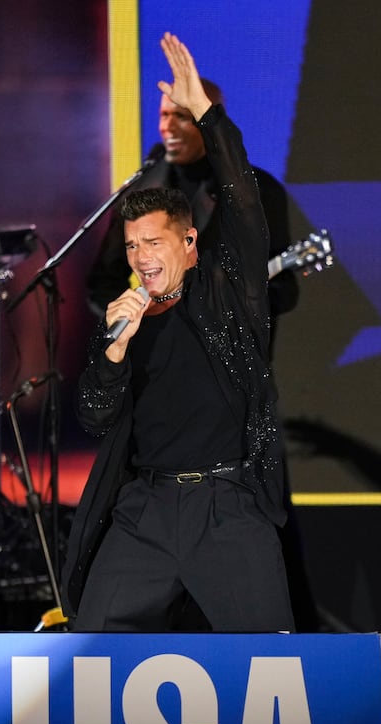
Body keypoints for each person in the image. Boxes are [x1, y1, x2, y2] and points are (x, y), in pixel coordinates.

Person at [61, 33, 293, 633]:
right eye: (133, 245)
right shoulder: (128, 316)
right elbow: (93, 414)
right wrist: (113, 348)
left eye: (154, 242)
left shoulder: (225, 291)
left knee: (275, 668)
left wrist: (208, 114)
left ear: (189, 243)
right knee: (90, 654)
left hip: (227, 505)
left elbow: (242, 199)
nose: (141, 255)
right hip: (147, 510)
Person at [86, 76, 299, 332]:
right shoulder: (140, 190)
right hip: (154, 362)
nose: (168, 127)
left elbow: (283, 289)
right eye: (164, 115)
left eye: (182, 117)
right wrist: (137, 324)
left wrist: (236, 307)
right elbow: (104, 282)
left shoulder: (256, 192)